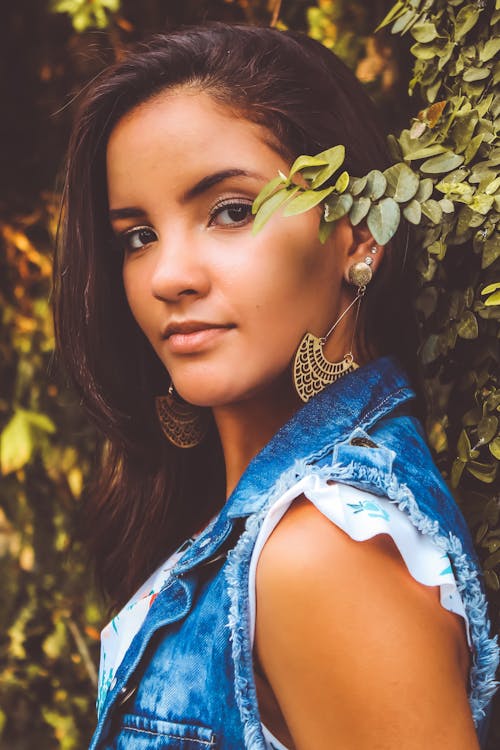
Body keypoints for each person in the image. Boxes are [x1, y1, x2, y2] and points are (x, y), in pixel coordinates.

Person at [53, 24, 498, 750]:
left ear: (359, 234)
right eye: (138, 236)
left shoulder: (324, 552)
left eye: (231, 211)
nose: (168, 277)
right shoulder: (273, 525)